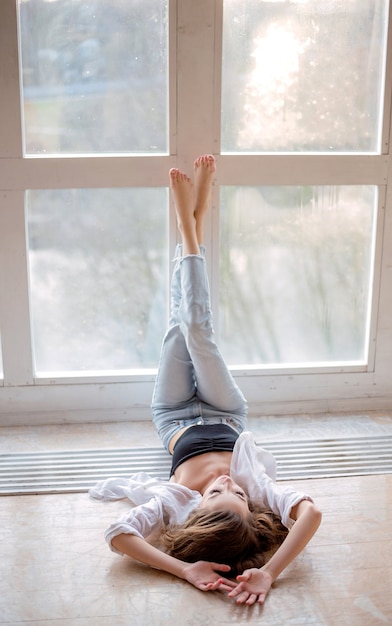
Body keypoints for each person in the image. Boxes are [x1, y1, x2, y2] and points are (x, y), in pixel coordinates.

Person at [90, 155, 322, 605]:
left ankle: (192, 226)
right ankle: (188, 225)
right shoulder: (258, 494)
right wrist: (271, 573)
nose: (228, 483)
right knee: (198, 329)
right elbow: (311, 513)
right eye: (237, 493)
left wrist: (182, 569)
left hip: (173, 415)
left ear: (198, 510)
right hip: (225, 412)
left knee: (181, 325)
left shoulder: (175, 504)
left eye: (219, 493)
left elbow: (117, 534)